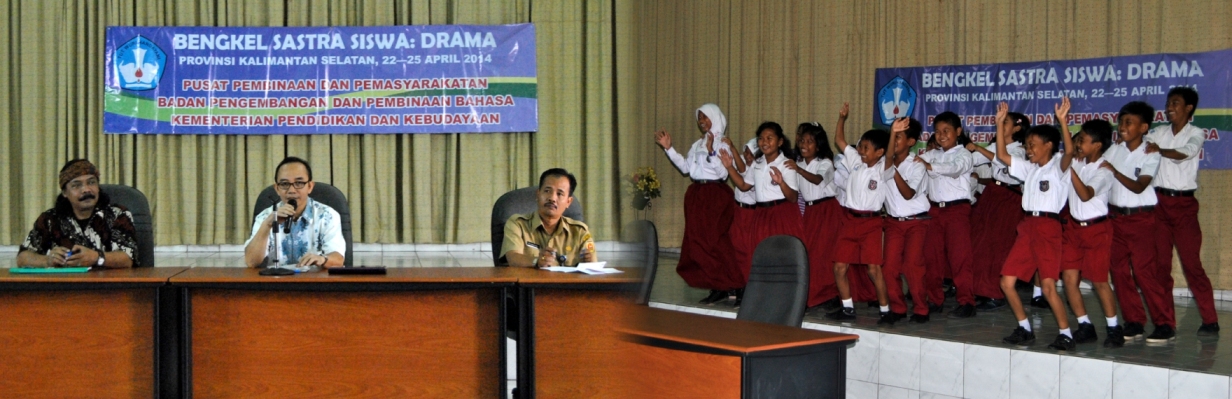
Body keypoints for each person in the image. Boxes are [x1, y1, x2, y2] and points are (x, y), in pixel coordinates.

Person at [995, 99, 1077, 350]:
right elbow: (1001, 155)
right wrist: (999, 124)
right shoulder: (1029, 169)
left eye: (1032, 145)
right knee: (1006, 282)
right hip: (1027, 226)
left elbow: (1071, 152)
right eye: (1027, 145)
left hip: (1048, 227)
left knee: (1049, 285)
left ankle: (1066, 334)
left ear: (1049, 146)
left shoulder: (1059, 167)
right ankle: (1024, 328)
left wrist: (1063, 121)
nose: (1028, 149)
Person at [1145, 86, 1218, 336]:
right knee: (1160, 266)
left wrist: (1160, 151)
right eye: (1168, 103)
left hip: (1184, 206)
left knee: (1192, 265)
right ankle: (1166, 323)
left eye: (1175, 103)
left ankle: (1210, 319)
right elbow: (1140, 149)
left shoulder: (1196, 133)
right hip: (1159, 204)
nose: (1169, 107)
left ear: (1188, 108)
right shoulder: (1158, 133)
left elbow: (1185, 153)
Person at [1103, 100, 1173, 343]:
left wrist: (1113, 171)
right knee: (1119, 271)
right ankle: (1134, 321)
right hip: (1116, 218)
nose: (1123, 126)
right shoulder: (1115, 149)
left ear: (1144, 128)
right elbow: (1100, 170)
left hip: (1141, 218)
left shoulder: (1151, 152)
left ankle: (1164, 323)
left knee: (1145, 272)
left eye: (1129, 122)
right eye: (1121, 122)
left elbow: (1139, 185)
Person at [656, 104, 739, 304]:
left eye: (705, 117)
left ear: (715, 118)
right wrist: (669, 149)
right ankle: (718, 286)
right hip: (697, 194)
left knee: (715, 241)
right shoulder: (697, 144)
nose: (701, 121)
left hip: (715, 195)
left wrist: (712, 152)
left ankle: (735, 284)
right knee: (699, 241)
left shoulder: (723, 144)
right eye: (699, 117)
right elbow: (686, 168)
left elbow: (722, 173)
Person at [824, 104, 895, 322]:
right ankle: (847, 308)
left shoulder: (883, 168)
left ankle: (885, 311)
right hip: (849, 219)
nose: (861, 151)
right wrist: (842, 118)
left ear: (879, 152)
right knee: (839, 267)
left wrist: (893, 133)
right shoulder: (855, 160)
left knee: (874, 269)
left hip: (871, 223)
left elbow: (891, 154)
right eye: (861, 146)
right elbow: (839, 140)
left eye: (865, 148)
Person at [1061, 118, 1122, 348]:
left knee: (1099, 281)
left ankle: (1114, 327)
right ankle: (1085, 324)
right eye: (1077, 139)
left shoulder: (1104, 170)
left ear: (1097, 145)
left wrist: (1070, 169)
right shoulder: (1077, 162)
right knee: (1068, 278)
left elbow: (1086, 194)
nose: (1077, 145)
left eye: (1083, 140)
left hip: (1097, 229)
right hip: (1073, 229)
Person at [17, 159, 138, 268]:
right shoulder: (49, 219)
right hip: (64, 288)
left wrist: (97, 258)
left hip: (108, 288)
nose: (86, 189)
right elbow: (23, 257)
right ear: (65, 192)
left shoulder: (117, 215)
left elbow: (128, 259)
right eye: (77, 185)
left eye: (91, 182)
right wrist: (47, 260)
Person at [966, 113, 1030, 311]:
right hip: (992, 193)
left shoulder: (1020, 150)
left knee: (999, 244)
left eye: (1005, 123)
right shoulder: (995, 146)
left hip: (1009, 197)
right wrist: (966, 152)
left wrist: (978, 148)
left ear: (1018, 128)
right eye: (999, 123)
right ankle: (980, 288)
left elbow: (1005, 162)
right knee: (980, 240)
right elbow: (973, 159)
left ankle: (995, 292)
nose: (1001, 126)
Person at [917, 111, 978, 318]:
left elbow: (954, 169)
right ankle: (934, 299)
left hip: (957, 210)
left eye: (946, 131)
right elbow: (913, 163)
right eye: (937, 132)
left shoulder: (964, 155)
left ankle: (966, 301)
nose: (941, 135)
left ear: (958, 132)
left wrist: (929, 166)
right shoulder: (932, 154)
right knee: (931, 258)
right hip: (934, 210)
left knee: (960, 257)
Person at [244, 157, 345, 269]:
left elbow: (338, 260)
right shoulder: (265, 217)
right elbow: (252, 262)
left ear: (310, 187)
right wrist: (267, 225)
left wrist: (322, 259)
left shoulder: (327, 215)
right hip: (276, 282)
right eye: (284, 184)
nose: (291, 190)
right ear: (277, 188)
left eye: (299, 183)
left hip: (315, 281)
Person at [721, 122, 803, 251]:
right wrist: (729, 167)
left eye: (769, 138)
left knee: (780, 255)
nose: (764, 142)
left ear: (780, 142)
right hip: (761, 214)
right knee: (761, 254)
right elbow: (743, 186)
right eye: (761, 138)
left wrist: (781, 182)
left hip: (781, 214)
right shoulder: (757, 163)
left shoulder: (786, 164)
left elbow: (793, 198)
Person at [881, 118, 932, 324]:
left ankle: (921, 308)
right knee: (889, 268)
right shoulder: (885, 164)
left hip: (916, 222)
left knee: (912, 266)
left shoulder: (917, 165)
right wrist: (890, 163)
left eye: (899, 137)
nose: (893, 143)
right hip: (893, 223)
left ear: (911, 142)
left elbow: (908, 194)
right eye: (892, 137)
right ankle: (898, 307)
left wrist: (894, 170)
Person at [787, 122, 842, 308]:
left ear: (818, 145)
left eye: (809, 141)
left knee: (825, 253)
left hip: (826, 210)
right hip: (810, 212)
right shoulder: (798, 163)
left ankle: (830, 294)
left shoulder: (825, 163)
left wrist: (798, 170)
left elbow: (818, 180)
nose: (804, 144)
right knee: (810, 253)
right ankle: (815, 294)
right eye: (802, 140)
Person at [501, 168, 597, 267]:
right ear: (538, 195)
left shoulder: (580, 231)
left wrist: (591, 263)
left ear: (568, 202)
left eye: (559, 194)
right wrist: (537, 261)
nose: (552, 198)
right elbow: (512, 258)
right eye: (547, 191)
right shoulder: (517, 224)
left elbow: (592, 263)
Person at [725, 137, 761, 306]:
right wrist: (732, 148)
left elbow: (743, 185)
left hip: (750, 213)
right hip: (738, 211)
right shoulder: (746, 164)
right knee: (734, 248)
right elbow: (741, 167)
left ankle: (748, 288)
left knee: (747, 252)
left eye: (750, 152)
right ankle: (737, 285)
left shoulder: (758, 167)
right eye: (745, 151)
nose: (747, 155)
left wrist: (729, 166)